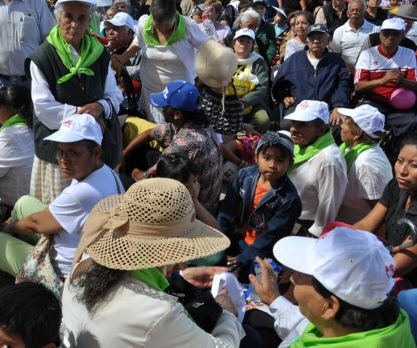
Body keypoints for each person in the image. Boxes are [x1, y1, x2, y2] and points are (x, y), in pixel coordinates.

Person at [62, 178, 243, 348]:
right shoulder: (156, 313)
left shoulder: (81, 267)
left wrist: (180, 276)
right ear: (167, 247)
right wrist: (227, 313)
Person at [250, 227, 417, 348]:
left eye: (300, 276)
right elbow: (308, 327)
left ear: (330, 306)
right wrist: (274, 300)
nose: (292, 279)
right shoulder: (368, 331)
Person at [0, 114, 124, 280]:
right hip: (88, 253)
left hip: (65, 273)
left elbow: (34, 224)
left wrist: (4, 229)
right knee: (24, 203)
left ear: (95, 152)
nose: (64, 160)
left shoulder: (82, 193)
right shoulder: (106, 172)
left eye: (73, 152)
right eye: (61, 151)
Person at [27, 0, 122, 203]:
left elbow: (114, 95)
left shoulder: (99, 53)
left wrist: (100, 107)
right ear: (58, 18)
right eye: (68, 16)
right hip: (60, 155)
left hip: (95, 150)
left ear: (90, 21)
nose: (75, 24)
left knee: (97, 207)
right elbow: (44, 108)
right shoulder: (43, 57)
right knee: (61, 208)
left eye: (82, 18)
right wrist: (87, 118)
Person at [122, 81, 223, 216]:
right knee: (140, 152)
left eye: (165, 107)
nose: (162, 110)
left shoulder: (182, 146)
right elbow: (150, 134)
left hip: (194, 212)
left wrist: (131, 170)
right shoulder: (199, 122)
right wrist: (124, 155)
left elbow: (144, 180)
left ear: (176, 114)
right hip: (205, 197)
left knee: (121, 181)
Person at [112, 0, 209, 124]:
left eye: (167, 26)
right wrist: (122, 58)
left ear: (174, 15)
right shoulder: (144, 25)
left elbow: (206, 48)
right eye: (158, 26)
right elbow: (138, 42)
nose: (163, 30)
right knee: (155, 130)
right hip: (151, 91)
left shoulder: (188, 26)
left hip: (180, 95)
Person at [217, 131, 301, 274]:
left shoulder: (289, 198)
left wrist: (245, 257)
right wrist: (219, 242)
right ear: (256, 157)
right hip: (241, 238)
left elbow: (272, 235)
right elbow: (227, 211)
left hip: (266, 251)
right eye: (267, 157)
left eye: (280, 160)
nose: (272, 165)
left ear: (290, 163)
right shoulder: (245, 176)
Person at [354, 134, 417, 275]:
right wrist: (338, 242)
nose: (402, 171)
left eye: (414, 165)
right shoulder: (396, 186)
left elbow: (393, 267)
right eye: (400, 161)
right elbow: (366, 225)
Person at [286, 100, 348, 236]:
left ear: (322, 129)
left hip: (305, 228)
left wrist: (314, 237)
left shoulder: (328, 160)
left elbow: (328, 207)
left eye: (302, 125)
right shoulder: (299, 146)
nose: (293, 129)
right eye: (293, 123)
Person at [273, 24, 350, 126]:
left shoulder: (336, 61)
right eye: (312, 38)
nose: (316, 41)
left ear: (328, 40)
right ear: (307, 42)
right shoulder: (295, 59)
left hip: (327, 109)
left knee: (342, 126)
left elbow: (343, 84)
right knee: (285, 126)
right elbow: (279, 83)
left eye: (320, 38)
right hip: (300, 107)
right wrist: (284, 96)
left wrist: (338, 106)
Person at [354, 17, 417, 139]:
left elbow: (415, 84)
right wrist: (383, 80)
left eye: (395, 34)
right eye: (386, 33)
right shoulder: (367, 54)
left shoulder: (408, 53)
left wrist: (402, 81)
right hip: (374, 102)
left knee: (413, 122)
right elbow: (358, 86)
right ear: (380, 35)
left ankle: (402, 155)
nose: (390, 37)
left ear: (402, 36)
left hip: (401, 106)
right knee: (359, 120)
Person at [336, 105, 393, 224]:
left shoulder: (365, 164)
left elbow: (378, 210)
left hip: (353, 229)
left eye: (346, 123)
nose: (341, 126)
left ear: (358, 133)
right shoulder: (350, 148)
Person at [231, 28, 272, 132]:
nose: (244, 44)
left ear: (252, 46)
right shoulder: (225, 58)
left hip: (253, 103)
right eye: (241, 40)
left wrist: (244, 101)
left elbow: (262, 87)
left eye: (248, 42)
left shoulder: (258, 62)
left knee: (263, 120)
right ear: (233, 44)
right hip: (227, 102)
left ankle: (248, 137)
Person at [331, 0, 375, 71]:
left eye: (358, 10)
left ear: (364, 13)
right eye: (352, 10)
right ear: (348, 14)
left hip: (369, 70)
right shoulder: (339, 31)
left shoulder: (374, 29)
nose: (355, 13)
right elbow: (336, 55)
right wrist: (347, 68)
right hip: (346, 71)